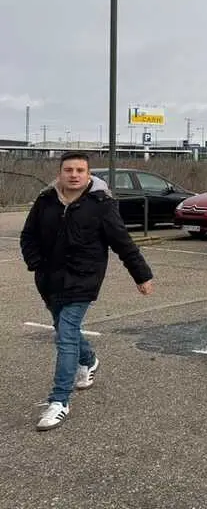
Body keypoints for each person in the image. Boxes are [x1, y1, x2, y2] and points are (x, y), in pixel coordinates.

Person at [20, 151, 155, 431]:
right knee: (62, 327)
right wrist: (35, 263)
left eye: (80, 170)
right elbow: (28, 235)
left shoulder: (102, 205)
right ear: (60, 173)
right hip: (49, 280)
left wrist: (141, 275)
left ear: (89, 174)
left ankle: (59, 401)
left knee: (66, 334)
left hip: (83, 280)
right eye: (68, 169)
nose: (74, 175)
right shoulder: (46, 201)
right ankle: (89, 360)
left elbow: (123, 243)